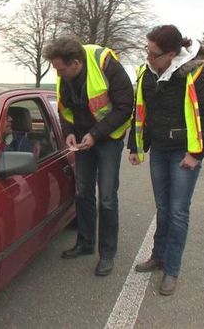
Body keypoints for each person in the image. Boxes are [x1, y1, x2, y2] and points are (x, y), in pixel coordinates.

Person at [127, 25, 204, 295]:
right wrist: (135, 146)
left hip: (184, 154)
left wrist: (196, 155)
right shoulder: (147, 74)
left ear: (171, 54)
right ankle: (158, 256)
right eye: (146, 51)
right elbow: (139, 111)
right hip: (158, 150)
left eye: (154, 54)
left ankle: (172, 269)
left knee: (178, 211)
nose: (148, 58)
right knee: (163, 208)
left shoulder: (195, 75)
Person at [43, 36, 134, 276]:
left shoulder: (105, 64)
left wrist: (95, 134)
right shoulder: (64, 73)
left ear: (75, 63)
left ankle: (107, 254)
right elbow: (65, 109)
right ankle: (84, 243)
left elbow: (125, 107)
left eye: (61, 69)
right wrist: (70, 133)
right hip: (84, 140)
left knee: (106, 197)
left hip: (108, 139)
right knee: (83, 192)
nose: (58, 74)